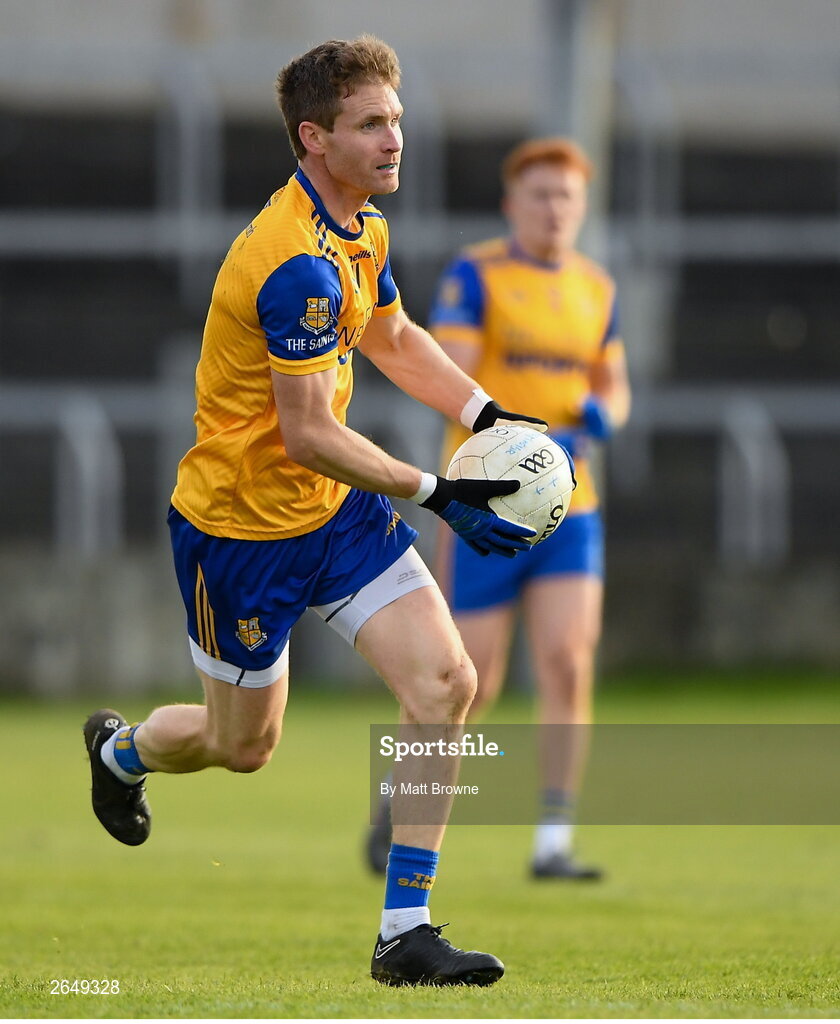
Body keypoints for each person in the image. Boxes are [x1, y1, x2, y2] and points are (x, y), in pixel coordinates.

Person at [81, 36, 551, 988]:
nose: (394, 140)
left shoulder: (359, 229)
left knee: (446, 685)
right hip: (240, 533)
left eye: (397, 121)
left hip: (334, 519)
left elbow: (395, 336)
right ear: (315, 138)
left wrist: (487, 415)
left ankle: (405, 933)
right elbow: (306, 434)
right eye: (371, 124)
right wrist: (438, 492)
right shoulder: (289, 261)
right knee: (240, 746)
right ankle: (122, 750)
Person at [365, 138, 630, 880]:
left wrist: (602, 415)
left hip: (571, 510)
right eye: (541, 194)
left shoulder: (597, 289)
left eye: (567, 197)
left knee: (568, 663)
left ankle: (552, 841)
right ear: (513, 204)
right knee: (467, 680)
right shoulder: (476, 275)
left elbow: (615, 383)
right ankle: (399, 799)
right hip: (488, 508)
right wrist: (518, 437)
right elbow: (444, 366)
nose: (554, 209)